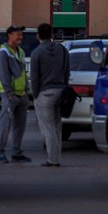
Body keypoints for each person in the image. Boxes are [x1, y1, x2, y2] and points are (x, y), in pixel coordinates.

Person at [30, 22, 71, 167]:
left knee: (48, 127)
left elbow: (34, 77)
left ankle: (52, 159)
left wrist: (35, 94)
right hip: (61, 91)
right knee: (57, 126)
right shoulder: (62, 50)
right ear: (52, 34)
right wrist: (64, 87)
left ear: (38, 36)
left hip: (44, 93)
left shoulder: (37, 53)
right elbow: (67, 71)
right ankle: (56, 157)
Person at [0, 25, 31, 163]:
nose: (20, 37)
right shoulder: (4, 52)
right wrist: (9, 93)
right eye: (18, 34)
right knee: (5, 124)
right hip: (10, 95)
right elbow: (3, 74)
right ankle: (0, 152)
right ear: (9, 35)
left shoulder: (20, 51)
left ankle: (17, 152)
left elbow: (23, 73)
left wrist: (26, 90)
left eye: (21, 34)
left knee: (20, 126)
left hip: (22, 94)